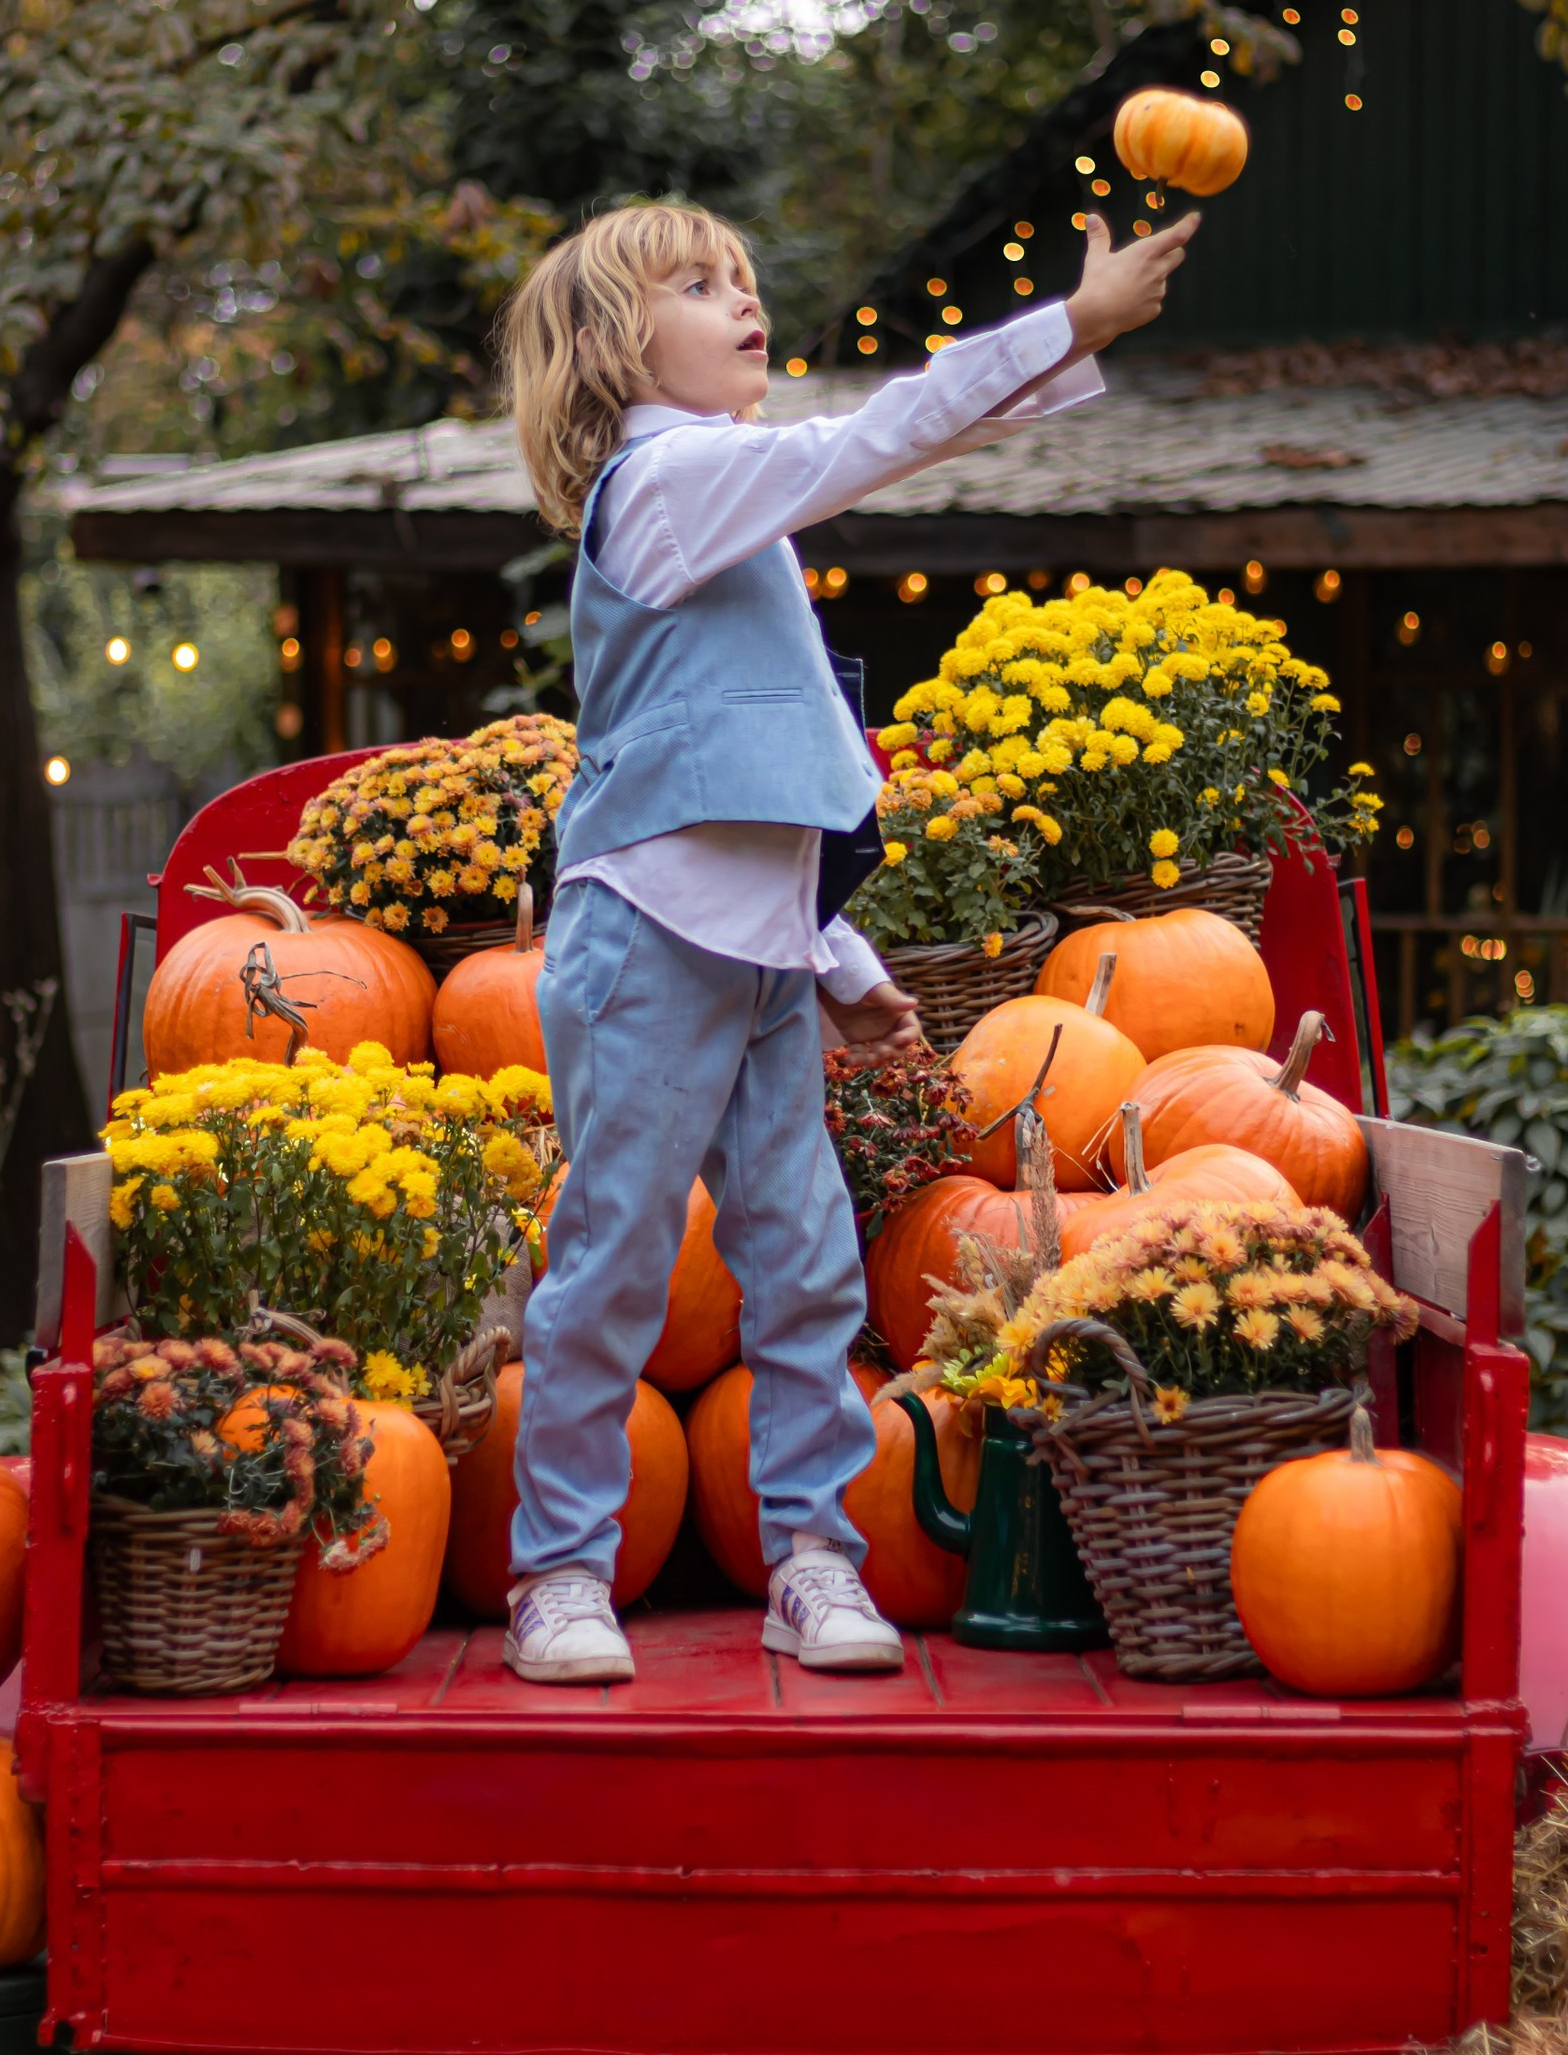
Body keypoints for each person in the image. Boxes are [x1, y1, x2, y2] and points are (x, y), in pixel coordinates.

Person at [498, 197, 1198, 1683]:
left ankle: (812, 1556)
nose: (743, 302)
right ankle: (559, 1573)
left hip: (752, 955)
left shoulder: (729, 511)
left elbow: (760, 770)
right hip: (640, 944)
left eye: (744, 277)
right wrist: (1066, 326)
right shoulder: (667, 483)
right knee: (616, 1261)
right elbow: (869, 442)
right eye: (698, 286)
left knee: (809, 1264)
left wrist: (843, 967)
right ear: (620, 350)